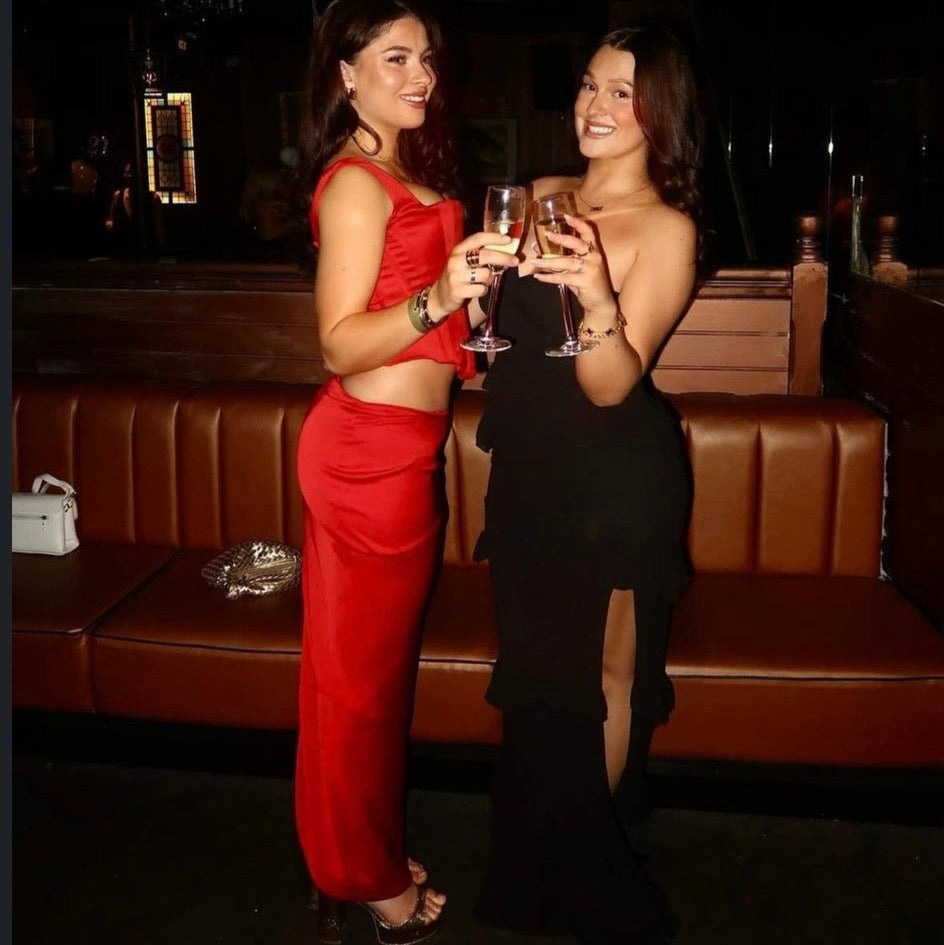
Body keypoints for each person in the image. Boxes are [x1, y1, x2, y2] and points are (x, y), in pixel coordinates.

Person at [471, 23, 703, 945]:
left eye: (621, 92)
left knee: (603, 676)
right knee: (537, 673)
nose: (595, 107)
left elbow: (611, 385)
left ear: (660, 112)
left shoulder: (667, 229)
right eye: (588, 85)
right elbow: (495, 342)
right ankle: (555, 852)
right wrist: (471, 285)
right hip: (527, 470)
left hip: (614, 480)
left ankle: (577, 865)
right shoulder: (537, 197)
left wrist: (598, 298)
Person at [291, 2, 507, 943]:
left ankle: (361, 849)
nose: (420, 75)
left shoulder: (405, 171)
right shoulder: (354, 183)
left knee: (373, 682)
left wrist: (474, 301)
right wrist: (440, 294)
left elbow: (429, 320)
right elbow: (340, 344)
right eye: (394, 58)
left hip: (401, 453)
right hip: (363, 457)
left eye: (425, 58)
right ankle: (363, 876)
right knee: (358, 689)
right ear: (346, 75)